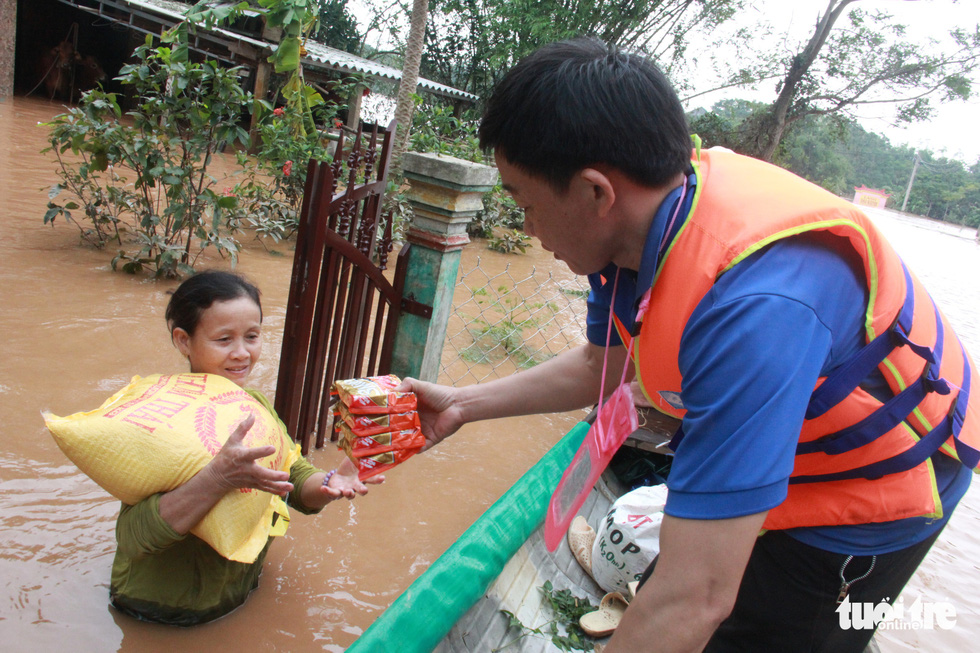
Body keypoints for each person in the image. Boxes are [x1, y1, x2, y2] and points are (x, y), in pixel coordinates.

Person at [398, 38, 979, 652]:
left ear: (596, 192)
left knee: (772, 629)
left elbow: (694, 596)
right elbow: (606, 365)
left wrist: (683, 604)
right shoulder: (632, 235)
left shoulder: (755, 315)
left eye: (524, 201)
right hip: (783, 426)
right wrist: (462, 403)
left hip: (875, 479)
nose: (525, 227)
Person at [110, 270, 383, 625]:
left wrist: (332, 483)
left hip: (238, 597)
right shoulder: (157, 414)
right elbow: (134, 536)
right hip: (154, 612)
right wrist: (217, 479)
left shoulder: (254, 406)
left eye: (252, 337)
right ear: (183, 340)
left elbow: (294, 481)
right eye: (224, 339)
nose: (242, 353)